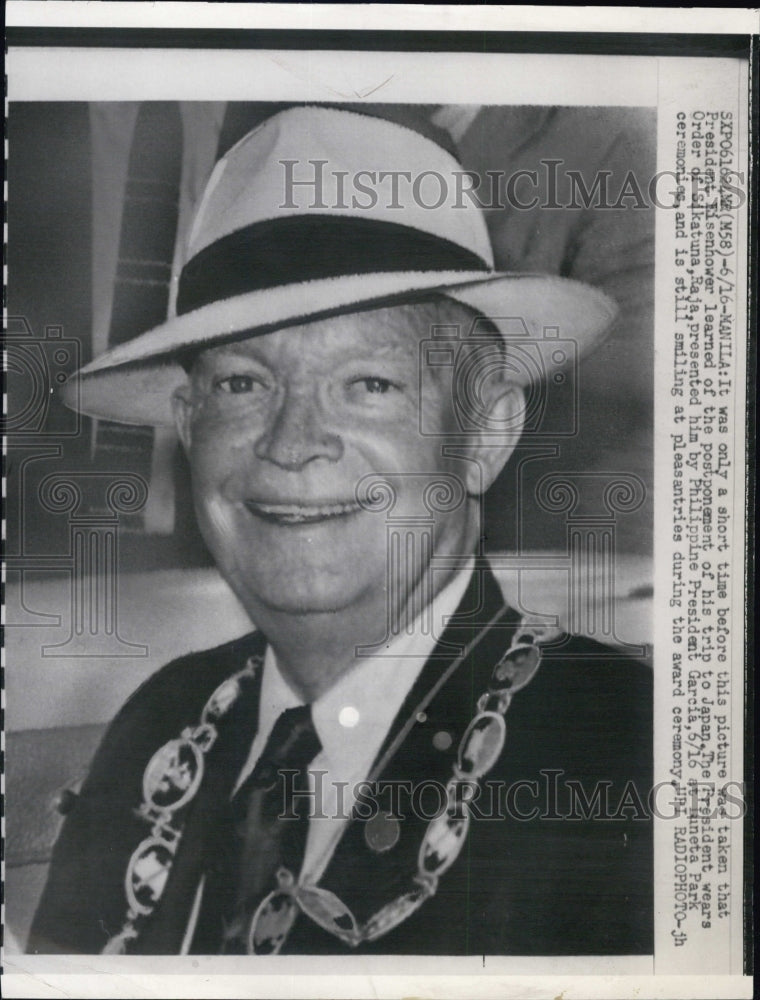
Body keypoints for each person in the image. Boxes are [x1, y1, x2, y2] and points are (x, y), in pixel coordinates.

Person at [28, 104, 652, 956]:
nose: (291, 445)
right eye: (243, 385)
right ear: (187, 423)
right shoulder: (159, 727)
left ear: (483, 437)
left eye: (369, 384)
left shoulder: (629, 758)